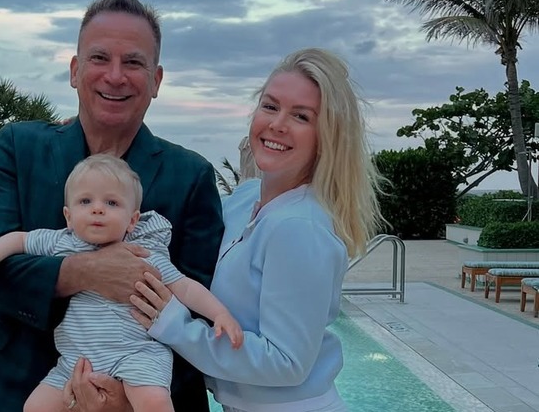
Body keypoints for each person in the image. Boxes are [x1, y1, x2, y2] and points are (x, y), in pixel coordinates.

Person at [0, 0, 225, 412]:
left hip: (138, 393)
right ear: (74, 70)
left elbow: (198, 311)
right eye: (99, 58)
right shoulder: (18, 147)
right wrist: (86, 271)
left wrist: (122, 399)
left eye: (133, 63)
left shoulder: (189, 174)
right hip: (13, 388)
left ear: (156, 80)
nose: (115, 76)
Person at [131, 48, 385, 412]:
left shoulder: (299, 227)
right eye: (270, 106)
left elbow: (287, 362)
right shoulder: (245, 199)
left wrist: (173, 324)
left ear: (327, 136)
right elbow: (172, 213)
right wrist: (95, 145)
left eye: (301, 116)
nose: (278, 124)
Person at [0, 154, 242, 412]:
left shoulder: (143, 253)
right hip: (76, 359)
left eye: (111, 203)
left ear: (132, 220)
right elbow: (18, 240)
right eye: (85, 202)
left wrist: (219, 313)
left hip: (136, 356)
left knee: (154, 402)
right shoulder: (62, 242)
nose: (97, 209)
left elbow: (184, 286)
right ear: (68, 216)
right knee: (34, 407)